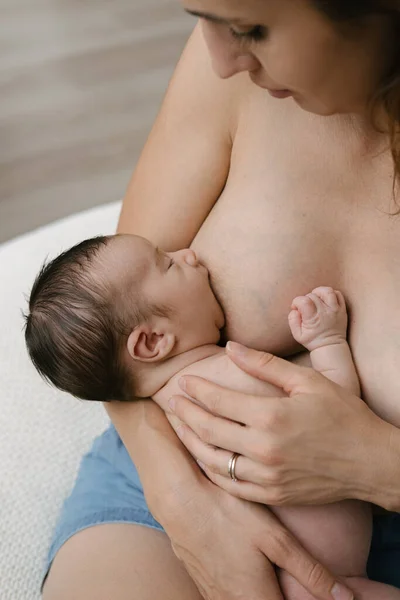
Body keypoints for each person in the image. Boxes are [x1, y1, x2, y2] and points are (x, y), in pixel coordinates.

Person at [42, 1, 400, 599]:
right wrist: (186, 505)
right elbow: (107, 335)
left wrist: (373, 463)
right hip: (167, 464)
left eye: (251, 30)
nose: (219, 59)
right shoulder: (230, 68)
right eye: (199, 16)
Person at [26, 230, 400, 598]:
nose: (189, 254)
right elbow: (336, 416)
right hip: (314, 578)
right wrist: (327, 341)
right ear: (154, 340)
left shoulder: (172, 404)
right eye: (168, 264)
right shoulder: (229, 377)